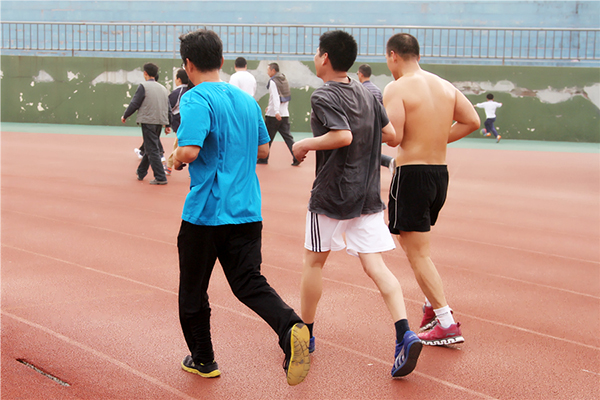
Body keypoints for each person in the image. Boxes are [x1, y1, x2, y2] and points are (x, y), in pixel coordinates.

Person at [172, 29, 310, 386]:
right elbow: (264, 151)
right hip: (248, 210)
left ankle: (203, 359)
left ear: (187, 65)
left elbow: (189, 150)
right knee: (249, 282)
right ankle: (292, 325)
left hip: (205, 214)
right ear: (221, 60)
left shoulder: (194, 98)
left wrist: (174, 157)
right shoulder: (248, 102)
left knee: (192, 292)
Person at [292, 30, 422, 378]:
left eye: (318, 53)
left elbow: (342, 136)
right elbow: (392, 135)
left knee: (313, 263)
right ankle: (404, 333)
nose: (316, 57)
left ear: (325, 58)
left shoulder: (323, 95)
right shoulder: (368, 94)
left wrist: (304, 144)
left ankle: (306, 333)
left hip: (331, 196)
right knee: (376, 266)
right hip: (367, 196)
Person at [383, 33, 480, 345]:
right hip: (439, 174)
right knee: (417, 248)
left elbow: (394, 137)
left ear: (393, 55)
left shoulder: (396, 88)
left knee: (417, 252)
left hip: (411, 174)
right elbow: (472, 121)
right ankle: (430, 305)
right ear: (418, 55)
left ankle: (446, 320)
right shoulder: (444, 85)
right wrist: (437, 138)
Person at [122, 62, 171, 185]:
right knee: (150, 147)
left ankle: (160, 177)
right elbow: (168, 107)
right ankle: (141, 171)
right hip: (159, 122)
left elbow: (135, 103)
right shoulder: (163, 88)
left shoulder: (143, 86)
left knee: (153, 149)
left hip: (148, 121)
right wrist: (168, 124)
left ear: (145, 73)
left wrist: (125, 115)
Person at [257, 63, 300, 166]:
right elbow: (283, 98)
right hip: (284, 114)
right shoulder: (283, 80)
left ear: (273, 70)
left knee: (267, 138)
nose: (267, 72)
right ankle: (297, 157)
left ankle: (264, 158)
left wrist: (276, 111)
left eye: (268, 70)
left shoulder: (273, 81)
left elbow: (276, 97)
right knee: (288, 138)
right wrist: (273, 108)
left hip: (274, 116)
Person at [358, 63, 395, 173]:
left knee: (360, 153)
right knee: (371, 152)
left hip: (363, 126)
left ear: (360, 74)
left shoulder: (359, 89)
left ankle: (387, 161)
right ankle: (388, 161)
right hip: (376, 125)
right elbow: (382, 110)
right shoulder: (377, 90)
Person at [165, 68, 192, 176]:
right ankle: (170, 166)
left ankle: (169, 167)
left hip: (181, 124)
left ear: (179, 79)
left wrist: (167, 123)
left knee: (179, 145)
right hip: (191, 124)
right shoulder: (192, 90)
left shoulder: (177, 92)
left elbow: (168, 108)